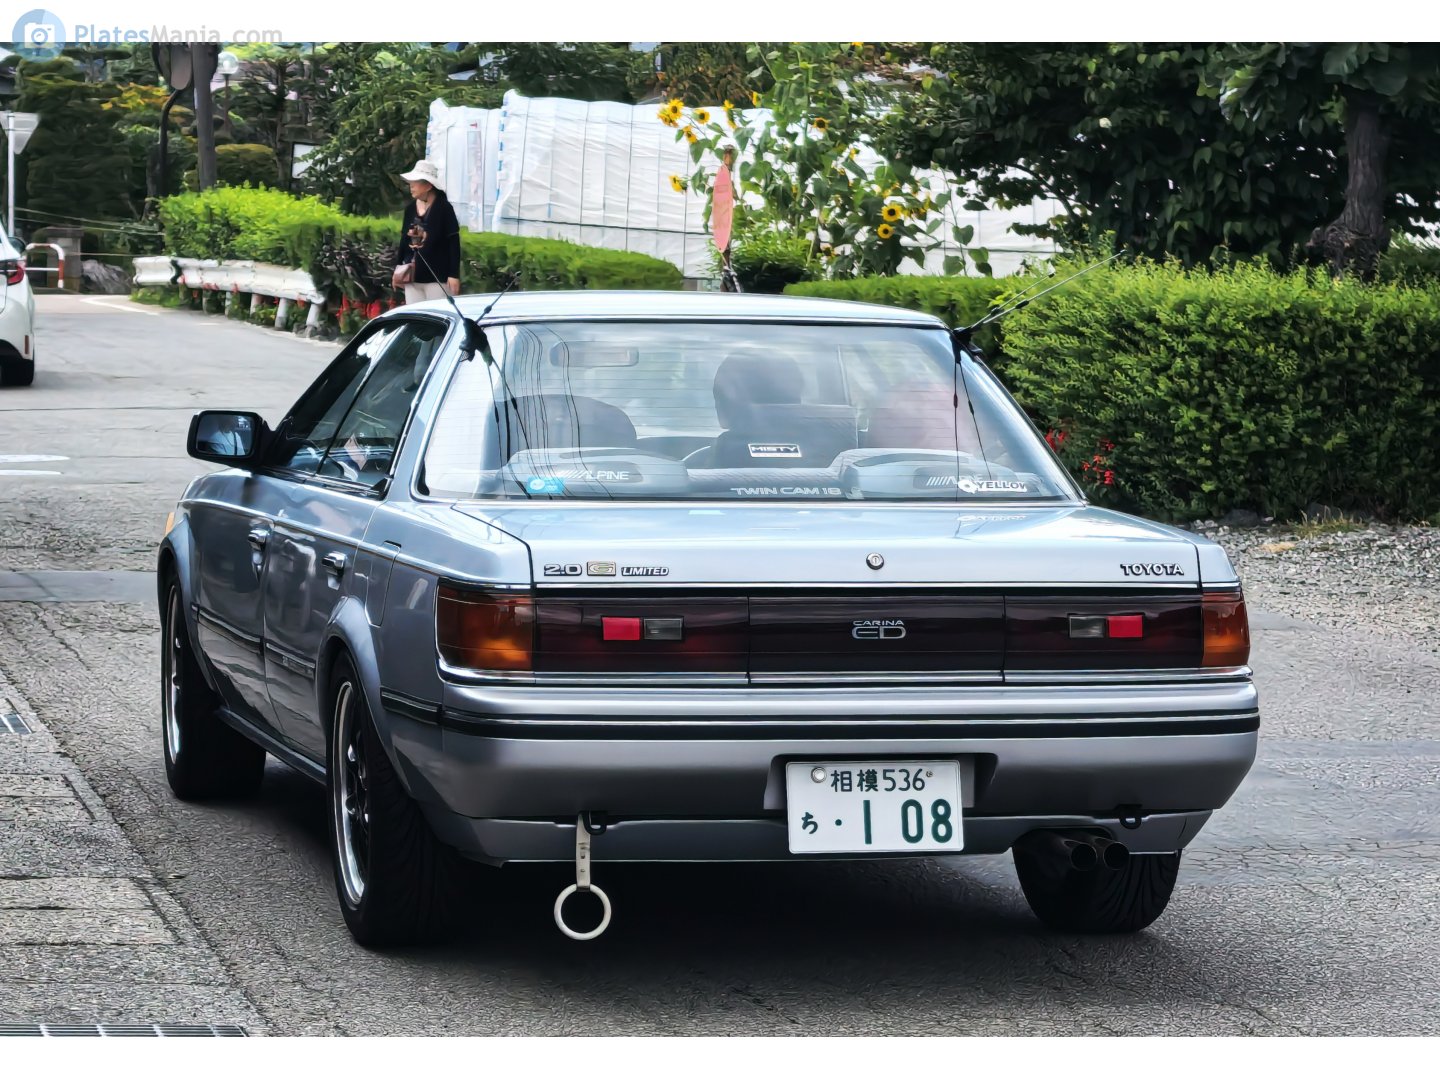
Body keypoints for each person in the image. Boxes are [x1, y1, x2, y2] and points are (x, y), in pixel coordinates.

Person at [392, 159, 462, 304]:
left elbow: (453, 241)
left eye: (415, 182)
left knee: (438, 317)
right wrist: (397, 269)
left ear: (428, 185)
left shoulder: (444, 208)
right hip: (411, 277)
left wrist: (453, 274)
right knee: (415, 318)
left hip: (438, 277)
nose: (411, 186)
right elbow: (404, 241)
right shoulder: (410, 209)